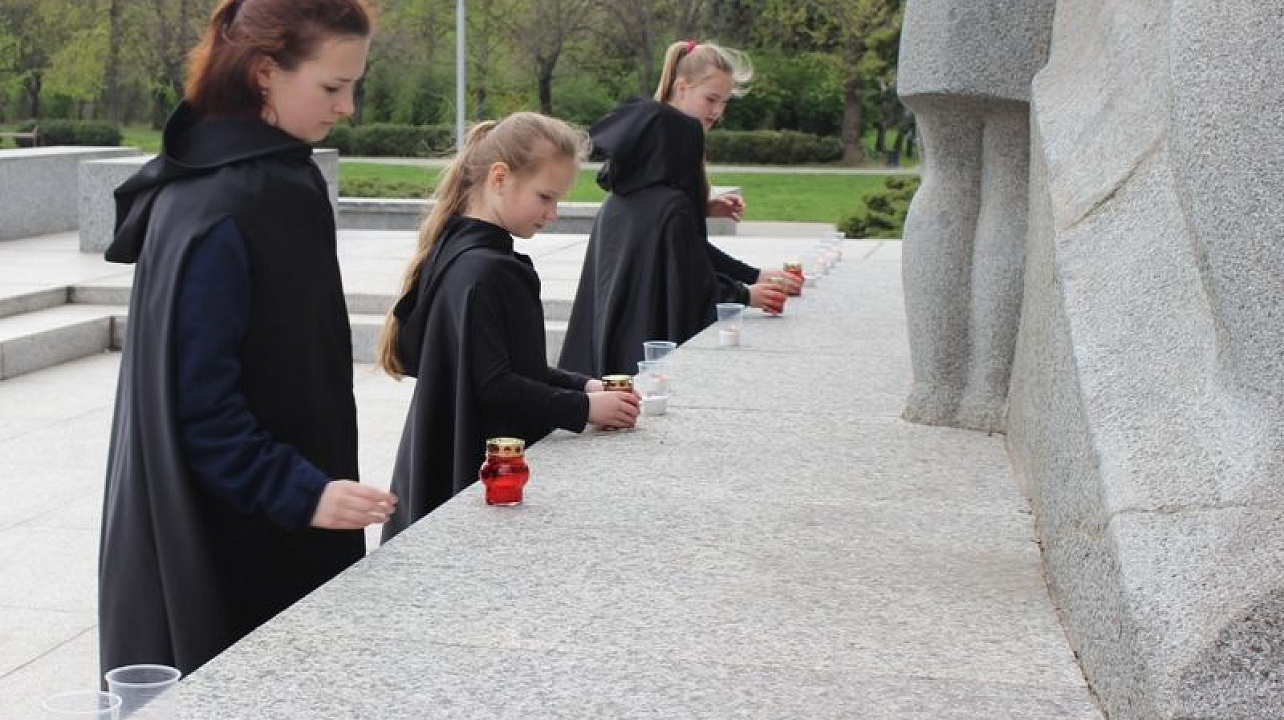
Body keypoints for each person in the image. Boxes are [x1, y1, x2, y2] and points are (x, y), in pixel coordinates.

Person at [98, 0, 396, 677]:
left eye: (354, 86)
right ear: (265, 73)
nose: (347, 107)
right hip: (236, 545)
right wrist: (305, 493)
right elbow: (199, 411)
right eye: (331, 86)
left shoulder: (239, 181)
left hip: (262, 520)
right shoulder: (237, 199)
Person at [378, 113, 640, 542]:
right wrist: (584, 410)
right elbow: (495, 385)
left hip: (442, 463)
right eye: (545, 197)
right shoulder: (487, 270)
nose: (553, 213)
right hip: (478, 476)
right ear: (500, 178)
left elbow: (512, 367)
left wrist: (585, 386)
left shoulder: (457, 251)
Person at [558, 40, 795, 378]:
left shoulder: (633, 182)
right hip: (643, 356)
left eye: (723, 103)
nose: (717, 112)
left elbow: (682, 248)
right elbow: (689, 278)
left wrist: (705, 212)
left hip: (613, 348)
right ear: (681, 88)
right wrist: (744, 293)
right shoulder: (670, 193)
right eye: (711, 99)